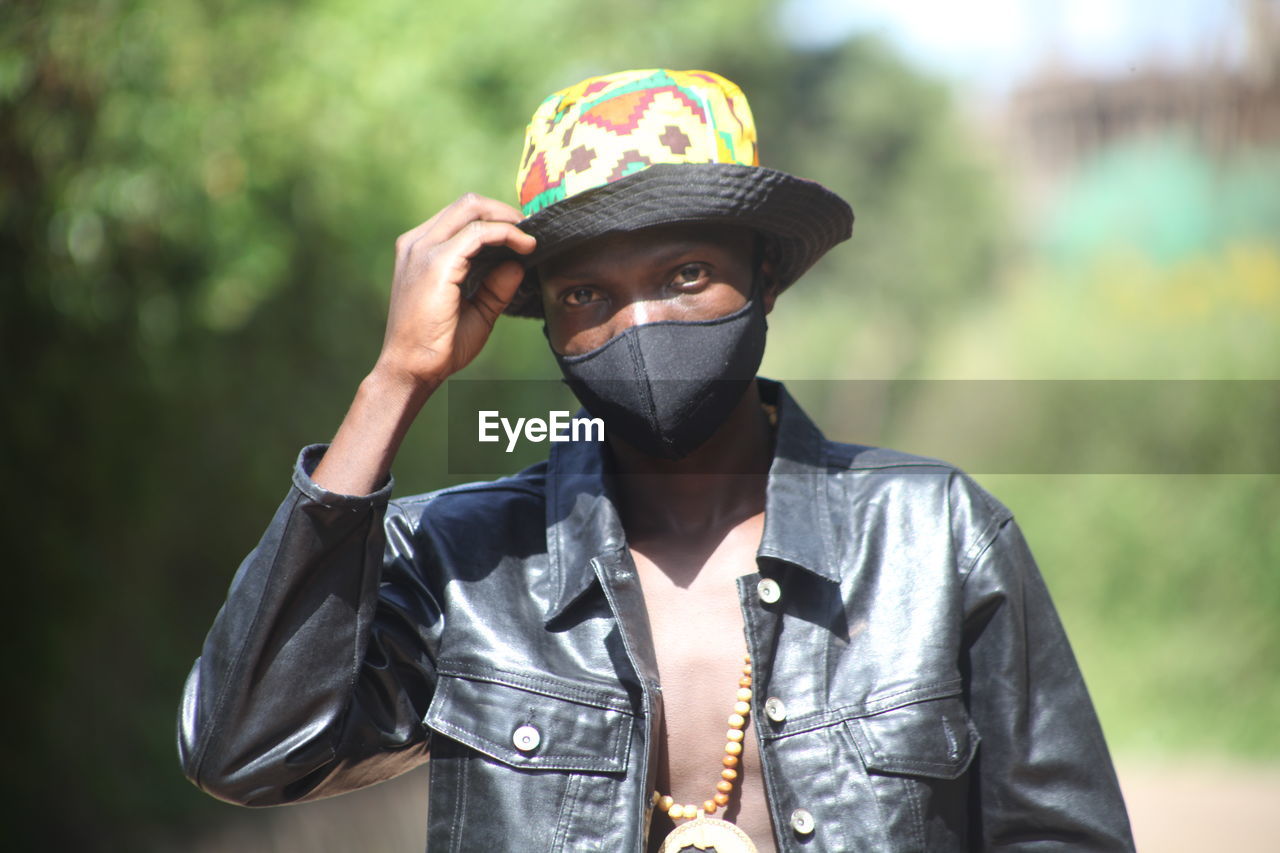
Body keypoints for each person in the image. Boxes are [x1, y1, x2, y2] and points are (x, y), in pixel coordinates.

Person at [179, 69, 1135, 852]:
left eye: (685, 275)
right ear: (548, 320)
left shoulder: (936, 536)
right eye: (588, 294)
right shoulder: (464, 561)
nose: (637, 326)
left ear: (765, 276)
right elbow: (246, 750)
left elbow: (1061, 834)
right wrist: (396, 380)